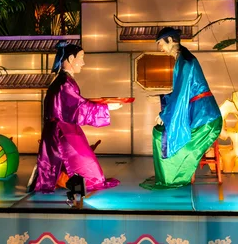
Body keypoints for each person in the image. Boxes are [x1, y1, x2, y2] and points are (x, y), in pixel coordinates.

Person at [28, 41, 122, 193]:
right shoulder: (64, 83)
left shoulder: (63, 81)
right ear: (71, 59)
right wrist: (106, 107)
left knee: (87, 168)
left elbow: (76, 104)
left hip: (63, 129)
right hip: (62, 132)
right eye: (81, 58)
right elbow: (79, 107)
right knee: (92, 176)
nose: (83, 63)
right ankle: (59, 179)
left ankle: (55, 176)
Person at [140, 27, 223, 189]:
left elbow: (181, 96)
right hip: (199, 115)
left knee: (160, 136)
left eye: (160, 43)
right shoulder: (183, 60)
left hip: (206, 120)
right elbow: (181, 92)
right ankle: (166, 174)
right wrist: (161, 99)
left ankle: (171, 177)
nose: (160, 48)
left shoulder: (185, 62)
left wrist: (165, 114)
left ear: (170, 40)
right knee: (160, 133)